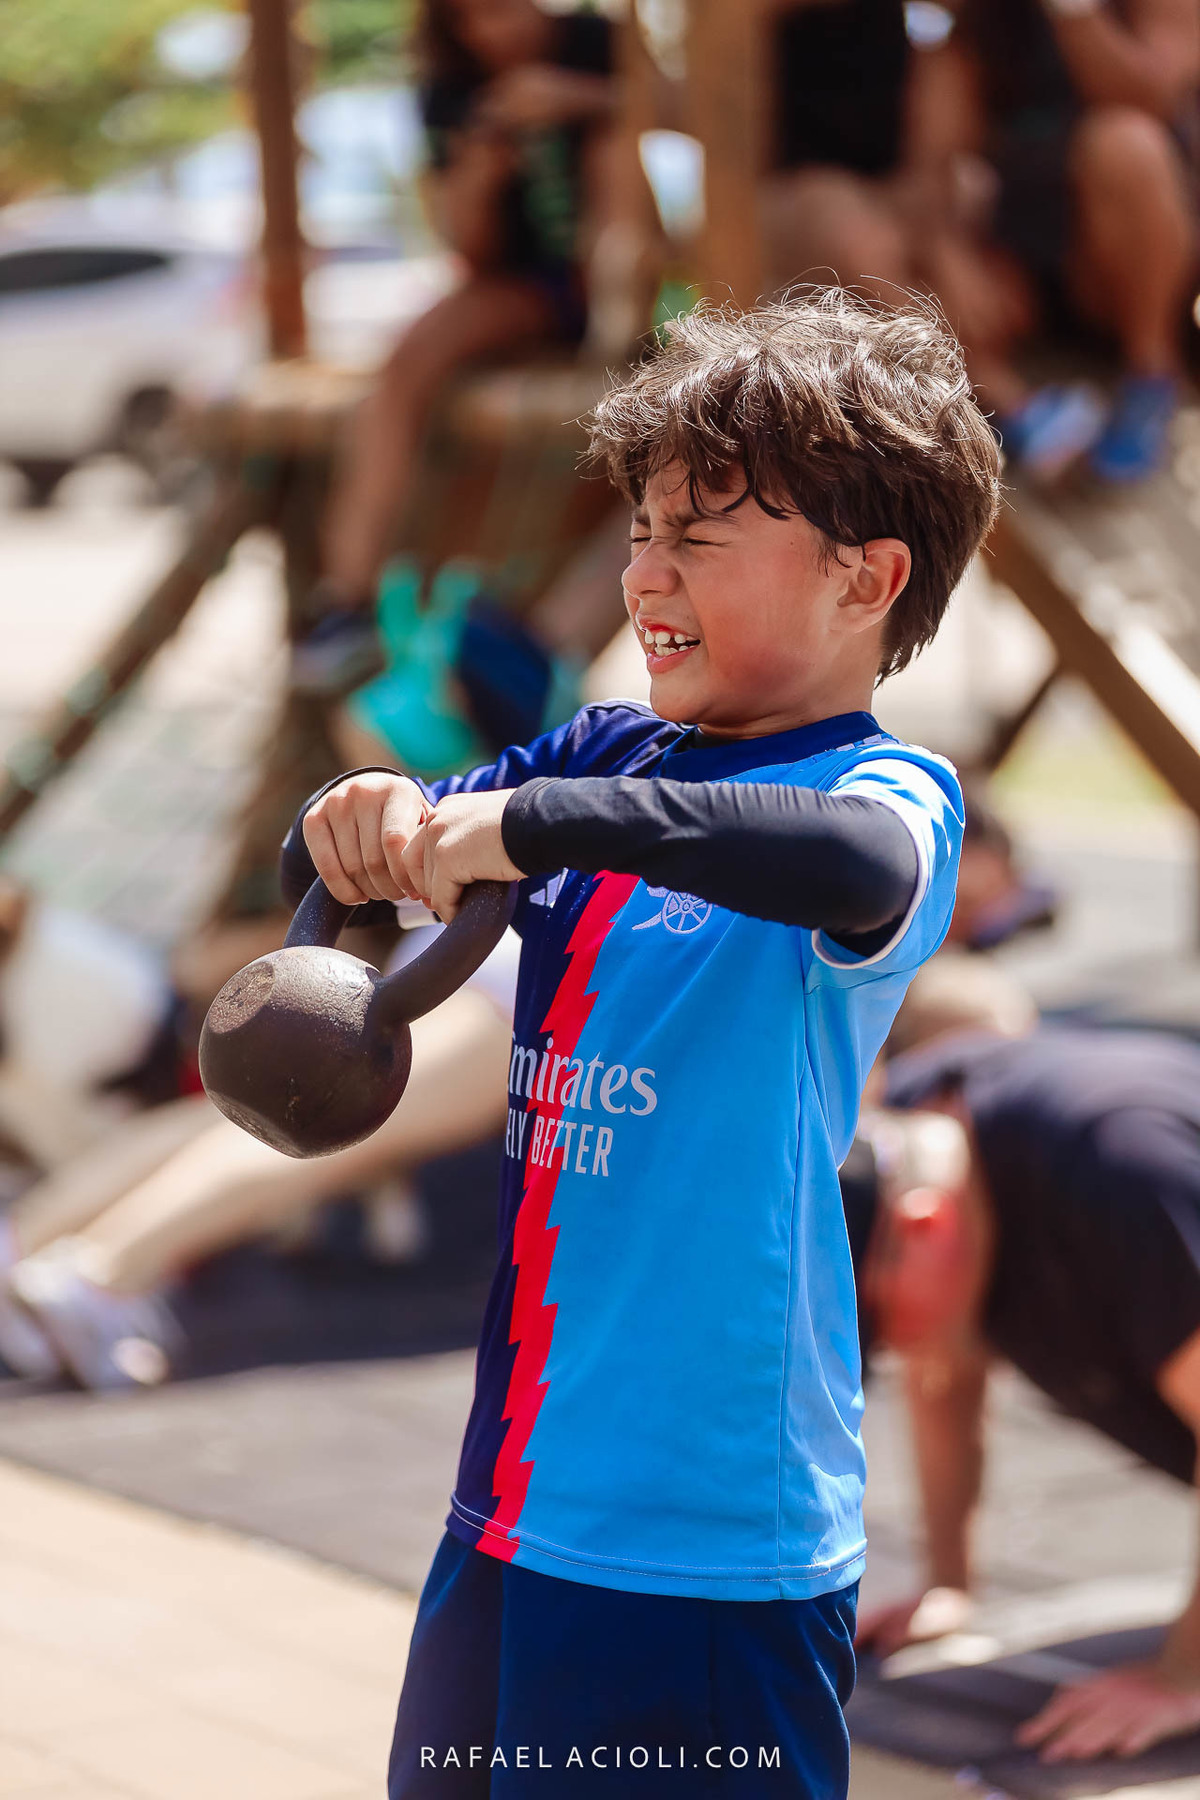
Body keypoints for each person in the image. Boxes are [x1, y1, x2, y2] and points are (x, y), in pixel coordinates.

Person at [283, 290, 999, 1796]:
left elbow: (846, 866)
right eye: (641, 529)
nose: (644, 574)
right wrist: (356, 820)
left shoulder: (889, 796)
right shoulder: (610, 751)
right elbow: (381, 856)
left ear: (867, 579)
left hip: (709, 1547)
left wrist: (533, 821)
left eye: (700, 537)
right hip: (513, 1497)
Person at [851, 972, 1200, 1761]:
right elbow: (947, 1367)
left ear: (926, 1226)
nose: (898, 1353)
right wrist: (948, 1583)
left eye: (883, 1326)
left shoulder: (1119, 1166)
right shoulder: (913, 1122)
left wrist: (1185, 1673)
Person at [293, 0, 623, 696]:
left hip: (621, 289)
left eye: (501, 10)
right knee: (406, 364)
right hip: (523, 289)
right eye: (473, 18)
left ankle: (500, 659)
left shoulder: (600, 45)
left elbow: (698, 116)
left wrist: (583, 101)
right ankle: (348, 597)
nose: (493, 32)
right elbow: (469, 250)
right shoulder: (452, 92)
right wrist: (481, 167)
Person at [910, 0, 1200, 482]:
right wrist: (946, 249)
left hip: (1130, 263)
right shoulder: (975, 24)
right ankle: (1020, 410)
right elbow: (931, 161)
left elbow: (1154, 98)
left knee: (1125, 144)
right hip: (1030, 262)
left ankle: (1151, 373)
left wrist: (1073, 12)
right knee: (893, 242)